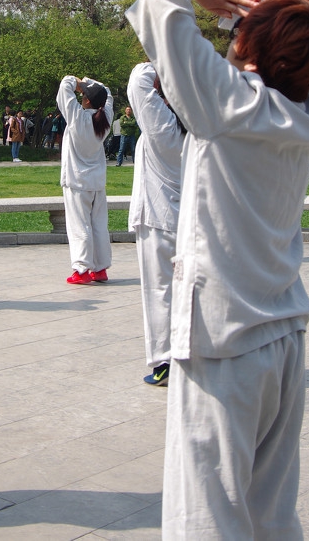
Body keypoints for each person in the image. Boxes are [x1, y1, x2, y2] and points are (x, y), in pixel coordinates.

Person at [127, 0, 309, 540]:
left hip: (225, 340)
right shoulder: (308, 113)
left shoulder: (229, 104)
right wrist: (250, 32)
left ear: (250, 51)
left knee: (207, 513)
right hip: (283, 334)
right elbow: (272, 68)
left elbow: (156, 6)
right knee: (269, 510)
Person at [127, 63, 184, 387]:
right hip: (182, 219)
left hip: (159, 220)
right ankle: (186, 356)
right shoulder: (194, 124)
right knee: (183, 294)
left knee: (160, 292)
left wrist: (166, 60)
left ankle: (165, 360)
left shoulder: (164, 128)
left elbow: (138, 80)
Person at [59, 74, 113, 285]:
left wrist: (77, 82)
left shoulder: (77, 119)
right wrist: (88, 85)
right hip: (97, 182)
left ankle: (81, 270)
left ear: (87, 100)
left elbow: (64, 87)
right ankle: (100, 269)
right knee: (99, 225)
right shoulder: (105, 120)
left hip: (77, 182)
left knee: (79, 226)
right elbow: (107, 93)